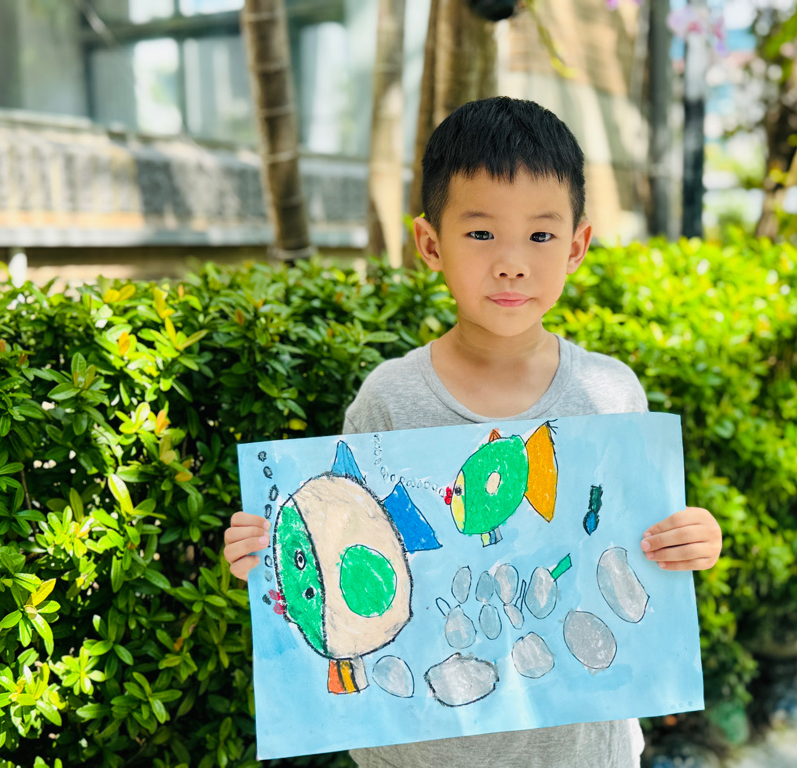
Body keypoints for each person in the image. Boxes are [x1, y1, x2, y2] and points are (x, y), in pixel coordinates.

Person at [223, 96, 722, 768]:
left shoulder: (611, 394)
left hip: (582, 753)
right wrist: (267, 562)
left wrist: (692, 542)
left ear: (577, 247)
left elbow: (635, 553)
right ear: (431, 244)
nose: (512, 263)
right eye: (482, 234)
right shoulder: (388, 400)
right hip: (419, 756)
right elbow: (340, 549)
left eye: (540, 236)